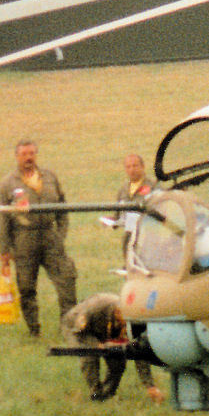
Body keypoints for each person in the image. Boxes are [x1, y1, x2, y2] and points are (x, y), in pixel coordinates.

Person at [0, 138, 77, 338]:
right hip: (24, 240)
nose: (28, 158)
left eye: (31, 153)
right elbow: (3, 219)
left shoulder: (49, 177)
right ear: (17, 157)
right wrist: (5, 249)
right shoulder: (8, 183)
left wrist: (60, 234)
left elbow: (63, 207)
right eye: (24, 154)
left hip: (50, 237)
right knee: (26, 287)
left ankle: (67, 327)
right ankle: (34, 330)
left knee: (66, 280)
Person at [110, 152, 159, 394]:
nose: (132, 169)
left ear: (143, 166)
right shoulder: (123, 190)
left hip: (147, 241)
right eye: (128, 166)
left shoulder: (153, 188)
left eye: (135, 165)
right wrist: (112, 221)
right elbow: (119, 216)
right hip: (129, 241)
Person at [61, 292, 137, 402]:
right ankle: (96, 393)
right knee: (90, 355)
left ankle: (107, 393)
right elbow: (79, 331)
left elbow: (138, 350)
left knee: (118, 359)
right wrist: (98, 345)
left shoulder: (131, 319)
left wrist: (149, 385)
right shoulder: (96, 307)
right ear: (117, 311)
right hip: (78, 327)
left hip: (103, 329)